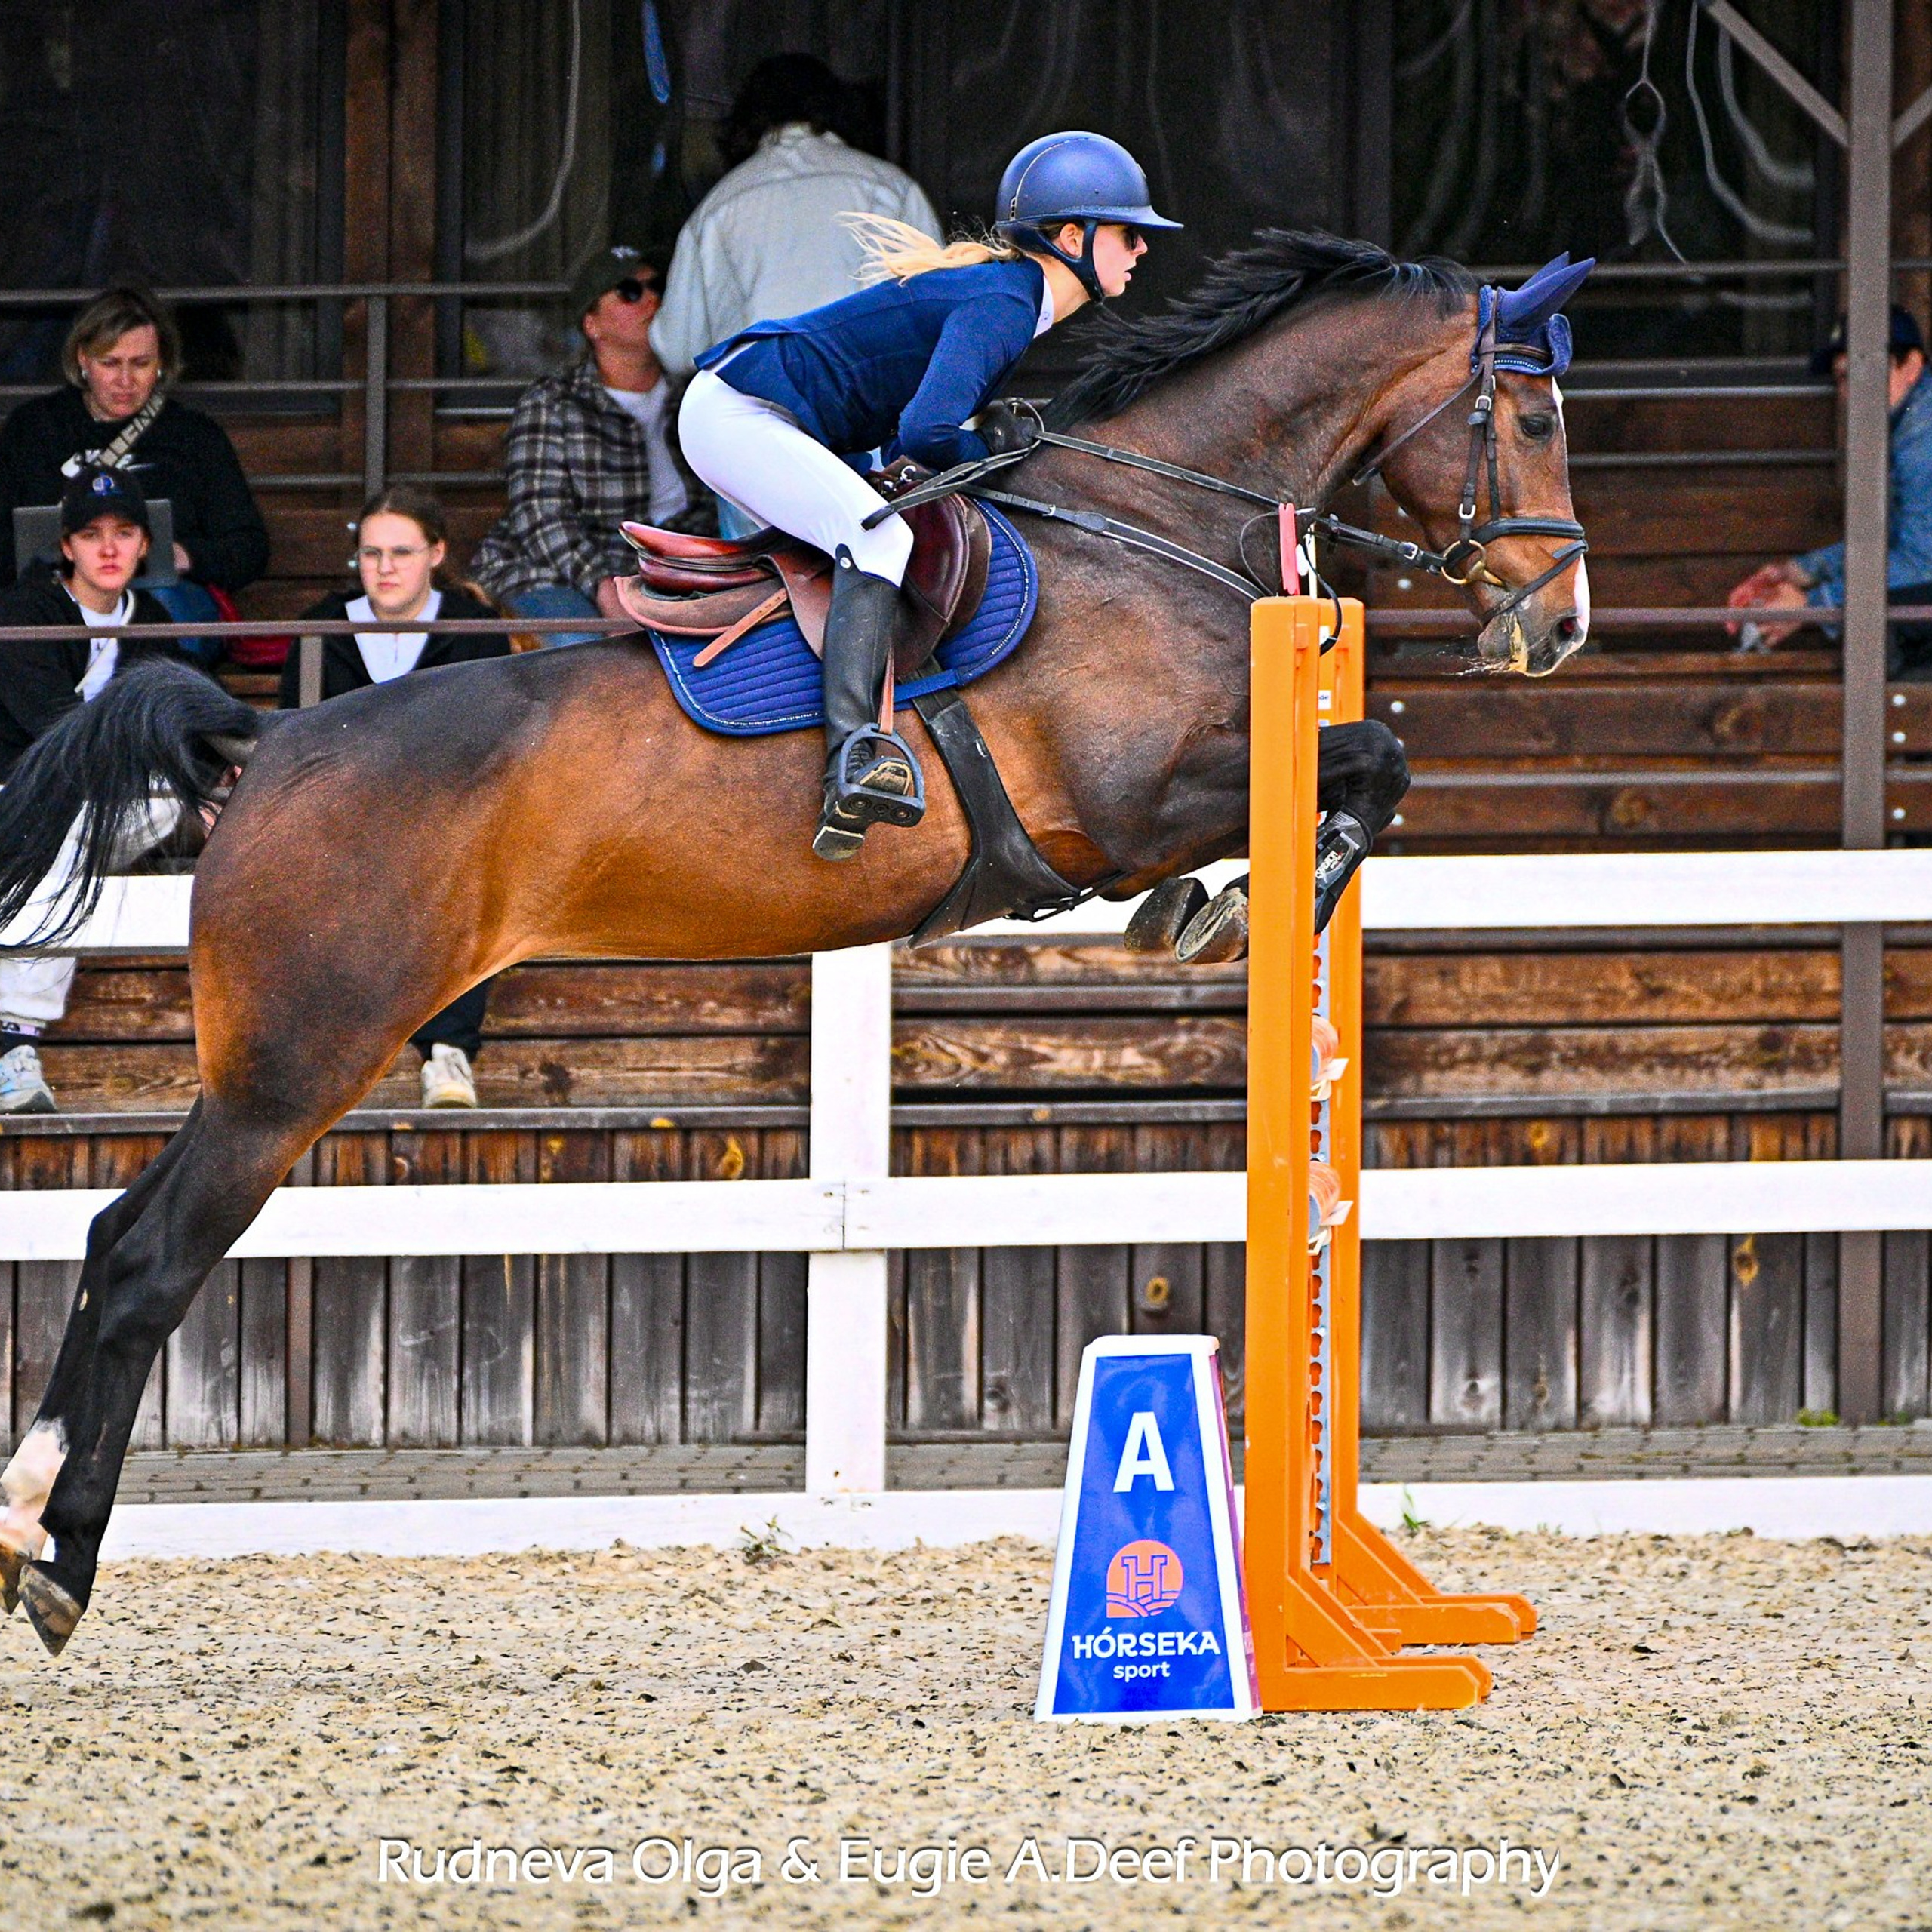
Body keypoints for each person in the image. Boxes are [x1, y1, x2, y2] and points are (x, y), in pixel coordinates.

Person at [675, 129, 1178, 861]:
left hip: (773, 415)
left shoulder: (1011, 300)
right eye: (1128, 234)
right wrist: (994, 449)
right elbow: (929, 430)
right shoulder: (1007, 301)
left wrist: (986, 447)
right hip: (739, 412)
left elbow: (911, 438)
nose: (1140, 251)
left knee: (879, 534)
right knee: (879, 539)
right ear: (1072, 236)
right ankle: (854, 754)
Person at [284, 485, 512, 1108]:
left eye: (402, 552)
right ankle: (329, 1058)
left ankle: (448, 1054)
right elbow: (295, 735)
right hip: (343, 818)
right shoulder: (321, 628)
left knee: (466, 876)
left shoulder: (473, 630)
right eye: (371, 553)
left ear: (436, 553)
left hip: (446, 815)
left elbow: (492, 744)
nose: (385, 568)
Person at [0, 467, 195, 1114]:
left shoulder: (155, 620)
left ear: (145, 545)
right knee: (69, 815)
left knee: (167, 793)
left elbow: (186, 722)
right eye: (90, 533)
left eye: (124, 532)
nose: (108, 549)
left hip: (88, 811)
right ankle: (14, 1037)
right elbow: (50, 734)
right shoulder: (27, 613)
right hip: (17, 797)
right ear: (66, 546)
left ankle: (10, 1042)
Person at [0, 287, 270, 657]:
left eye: (141, 364)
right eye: (110, 363)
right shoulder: (35, 430)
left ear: (162, 364)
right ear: (83, 359)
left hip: (163, 596)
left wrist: (184, 555)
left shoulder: (194, 436)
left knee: (162, 616)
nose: (125, 380)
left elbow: (249, 546)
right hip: (57, 595)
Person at [649, 53, 943, 385]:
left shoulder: (715, 209)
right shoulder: (892, 188)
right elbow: (937, 317)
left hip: (756, 414)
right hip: (868, 410)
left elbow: (676, 348)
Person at [471, 247, 704, 648]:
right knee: (586, 656)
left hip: (661, 579)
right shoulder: (554, 401)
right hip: (552, 573)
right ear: (592, 324)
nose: (652, 300)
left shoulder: (697, 396)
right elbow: (541, 515)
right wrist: (604, 586)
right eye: (630, 292)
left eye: (658, 287)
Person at [1727, 305, 1932, 666]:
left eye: (1860, 375)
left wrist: (1814, 604)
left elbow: (1922, 565)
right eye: (1841, 379)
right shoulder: (1909, 428)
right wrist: (1802, 571)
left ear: (1911, 366)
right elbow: (1901, 543)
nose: (1847, 395)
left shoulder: (1923, 439)